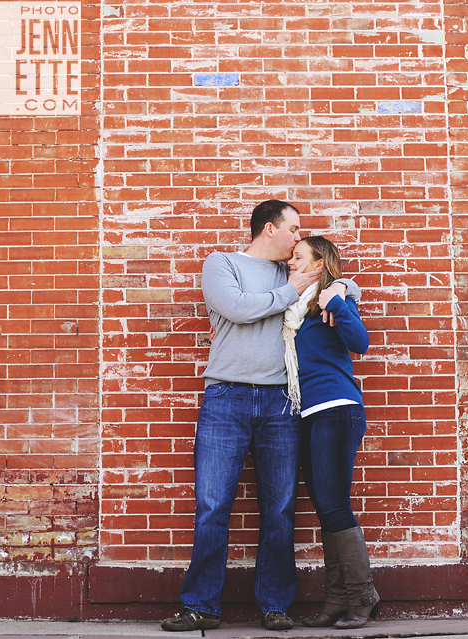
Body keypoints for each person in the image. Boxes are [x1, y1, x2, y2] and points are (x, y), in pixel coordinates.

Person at [160, 200, 320, 633]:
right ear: (269, 229)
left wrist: (332, 288)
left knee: (280, 507)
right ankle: (200, 606)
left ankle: (274, 604)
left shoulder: (296, 268)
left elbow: (340, 288)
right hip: (225, 399)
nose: (298, 237)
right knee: (212, 505)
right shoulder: (222, 263)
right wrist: (290, 291)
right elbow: (238, 309)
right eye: (293, 228)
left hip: (280, 402)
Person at [283, 235, 379, 629]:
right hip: (308, 415)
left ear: (319, 263)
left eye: (298, 257)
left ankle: (362, 594)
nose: (291, 262)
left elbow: (361, 343)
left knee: (335, 506)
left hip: (337, 410)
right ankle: (337, 600)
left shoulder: (332, 303)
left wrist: (337, 297)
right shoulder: (297, 309)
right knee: (327, 508)